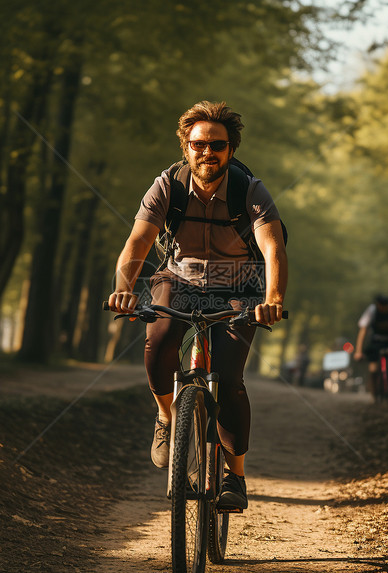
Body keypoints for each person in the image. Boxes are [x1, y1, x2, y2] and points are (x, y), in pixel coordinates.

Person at [107, 101, 287, 511]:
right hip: (179, 279)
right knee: (159, 338)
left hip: (237, 285)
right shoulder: (167, 186)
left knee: (230, 376)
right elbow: (137, 242)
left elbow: (273, 248)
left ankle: (234, 477)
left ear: (231, 150)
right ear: (185, 147)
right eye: (199, 144)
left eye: (217, 145)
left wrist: (272, 300)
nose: (208, 152)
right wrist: (123, 288)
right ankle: (167, 417)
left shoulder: (250, 191)